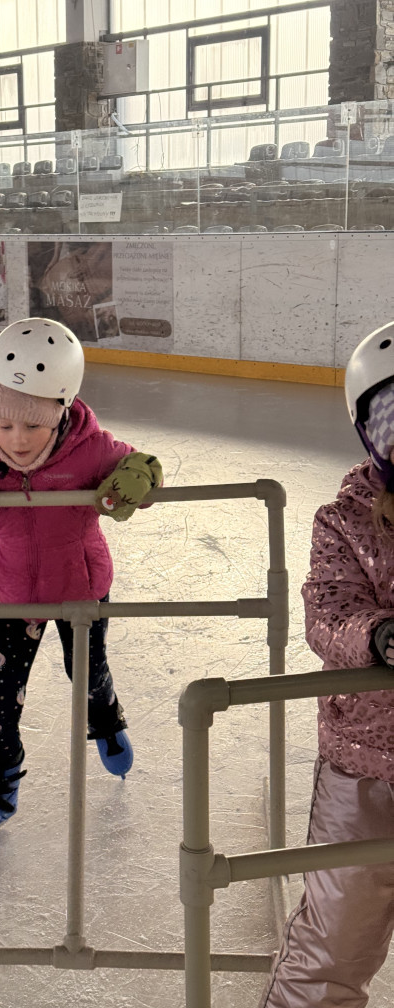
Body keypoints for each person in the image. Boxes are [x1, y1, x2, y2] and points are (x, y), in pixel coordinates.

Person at [0, 317, 162, 847]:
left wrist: (139, 476)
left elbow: (139, 465)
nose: (17, 439)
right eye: (4, 424)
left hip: (81, 590)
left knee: (88, 676)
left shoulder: (90, 449)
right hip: (13, 594)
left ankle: (108, 720)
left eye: (33, 426)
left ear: (61, 415)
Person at [260, 321, 394, 1007]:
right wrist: (378, 638)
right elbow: (329, 610)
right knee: (337, 934)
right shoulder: (344, 521)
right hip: (365, 768)